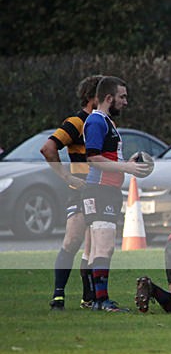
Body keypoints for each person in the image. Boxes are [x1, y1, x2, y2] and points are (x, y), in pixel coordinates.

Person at [82, 76, 151, 311]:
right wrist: (127, 168)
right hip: (100, 190)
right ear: (109, 98)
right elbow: (93, 158)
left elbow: (107, 158)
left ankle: (95, 299)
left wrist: (127, 163)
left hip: (105, 190)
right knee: (104, 246)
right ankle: (102, 301)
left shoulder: (106, 122)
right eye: (122, 97)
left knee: (97, 248)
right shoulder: (97, 121)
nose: (125, 102)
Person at [40, 74, 103, 311]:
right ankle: (58, 296)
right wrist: (66, 177)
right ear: (91, 97)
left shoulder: (104, 123)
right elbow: (48, 148)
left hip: (100, 191)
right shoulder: (77, 122)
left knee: (93, 245)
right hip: (80, 191)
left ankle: (89, 298)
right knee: (73, 240)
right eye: (103, 94)